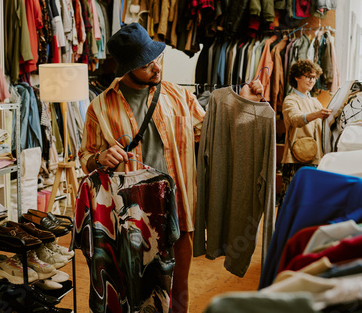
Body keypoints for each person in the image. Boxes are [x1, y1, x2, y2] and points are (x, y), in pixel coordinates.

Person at [78, 22, 264, 313]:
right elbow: (86, 156)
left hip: (178, 207)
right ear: (128, 68)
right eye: (146, 64)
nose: (156, 68)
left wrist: (246, 103)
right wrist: (100, 158)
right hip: (133, 215)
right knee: (135, 286)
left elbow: (214, 132)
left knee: (179, 288)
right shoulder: (100, 107)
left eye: (156, 59)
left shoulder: (179, 95)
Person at [278, 59, 332, 211]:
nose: (312, 80)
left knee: (307, 202)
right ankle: (283, 234)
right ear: (297, 77)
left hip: (315, 157)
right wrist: (316, 114)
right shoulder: (290, 100)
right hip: (296, 157)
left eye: (314, 77)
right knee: (289, 201)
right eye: (308, 76)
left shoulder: (315, 101)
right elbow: (295, 119)